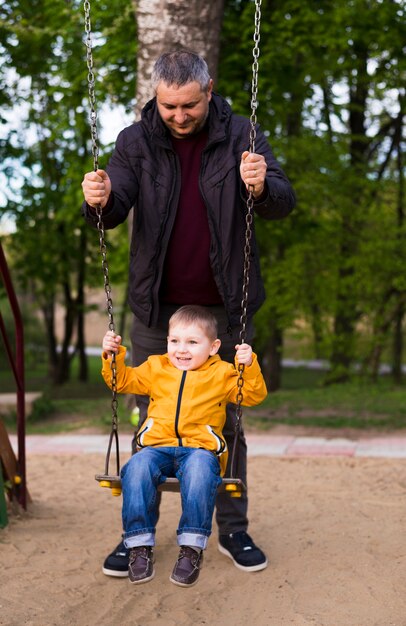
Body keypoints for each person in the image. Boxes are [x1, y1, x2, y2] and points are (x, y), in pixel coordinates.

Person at [82, 49, 295, 577]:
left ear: (209, 90)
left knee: (228, 420)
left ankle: (233, 529)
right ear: (157, 97)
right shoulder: (135, 141)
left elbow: (284, 201)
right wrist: (99, 199)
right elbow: (114, 208)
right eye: (169, 106)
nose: (179, 116)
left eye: (190, 106)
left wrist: (261, 184)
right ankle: (138, 538)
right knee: (149, 422)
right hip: (158, 307)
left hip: (225, 305)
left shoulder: (243, 134)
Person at [101, 305, 267, 587]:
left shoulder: (223, 374)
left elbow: (252, 394)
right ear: (166, 342)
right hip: (157, 449)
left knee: (202, 471)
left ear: (214, 347)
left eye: (192, 342)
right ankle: (139, 547)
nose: (182, 349)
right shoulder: (156, 367)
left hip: (199, 451)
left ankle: (191, 549)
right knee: (137, 467)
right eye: (174, 341)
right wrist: (113, 357)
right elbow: (122, 381)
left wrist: (248, 365)